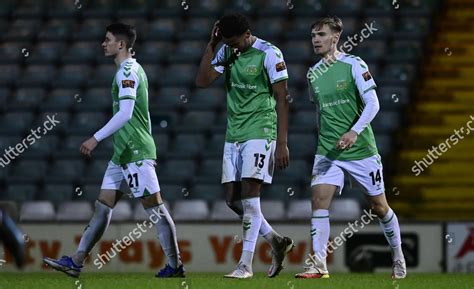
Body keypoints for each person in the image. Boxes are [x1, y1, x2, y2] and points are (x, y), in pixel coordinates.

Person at [43, 22, 184, 278]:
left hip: (136, 152)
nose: (103, 43)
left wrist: (95, 138)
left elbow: (127, 113)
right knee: (103, 206)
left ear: (121, 44)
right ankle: (76, 260)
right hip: (122, 154)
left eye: (107, 39)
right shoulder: (130, 69)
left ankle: (175, 266)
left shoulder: (127, 70)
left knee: (156, 211)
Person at [294, 16, 406, 279]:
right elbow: (320, 112)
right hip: (328, 151)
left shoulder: (354, 64)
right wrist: (323, 139)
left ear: (335, 38)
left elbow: (373, 104)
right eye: (313, 36)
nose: (316, 40)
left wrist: (354, 132)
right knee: (319, 201)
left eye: (321, 35)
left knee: (379, 206)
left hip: (360, 150)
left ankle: (398, 256)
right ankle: (318, 264)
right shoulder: (313, 73)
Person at [195, 13, 294, 279]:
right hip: (234, 132)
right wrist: (211, 45)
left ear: (248, 34)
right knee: (232, 199)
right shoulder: (227, 50)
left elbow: (282, 98)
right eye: (228, 42)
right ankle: (275, 240)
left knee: (251, 194)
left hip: (260, 130)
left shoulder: (270, 53)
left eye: (235, 41)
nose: (233, 46)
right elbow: (202, 81)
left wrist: (282, 142)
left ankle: (245, 265)